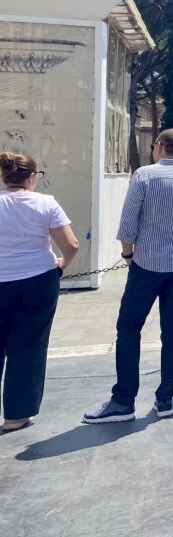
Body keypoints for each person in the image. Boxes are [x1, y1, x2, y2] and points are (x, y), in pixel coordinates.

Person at [84, 129, 173, 423]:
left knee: (129, 329)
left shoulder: (143, 176)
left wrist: (128, 255)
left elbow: (128, 222)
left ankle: (123, 401)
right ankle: (165, 397)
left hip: (145, 266)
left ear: (158, 147)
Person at [0, 153, 79, 432]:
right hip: (38, 279)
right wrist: (61, 265)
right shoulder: (46, 203)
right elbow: (71, 245)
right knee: (29, 345)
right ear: (33, 177)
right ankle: (17, 415)